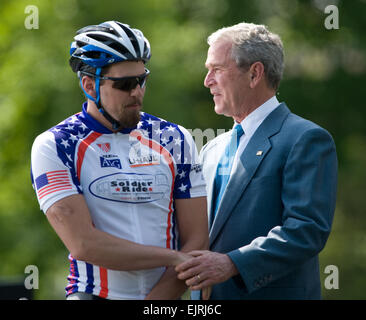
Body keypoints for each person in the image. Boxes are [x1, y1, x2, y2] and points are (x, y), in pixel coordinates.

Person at [30, 20, 208, 300]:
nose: (137, 92)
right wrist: (174, 258)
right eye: (125, 84)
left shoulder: (175, 138)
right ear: (89, 84)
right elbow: (83, 244)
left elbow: (196, 240)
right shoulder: (55, 145)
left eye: (142, 80)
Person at [176, 22, 338, 300]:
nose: (207, 81)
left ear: (254, 73)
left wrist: (232, 263)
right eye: (207, 70)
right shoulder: (211, 149)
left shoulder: (306, 139)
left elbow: (306, 231)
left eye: (217, 69)